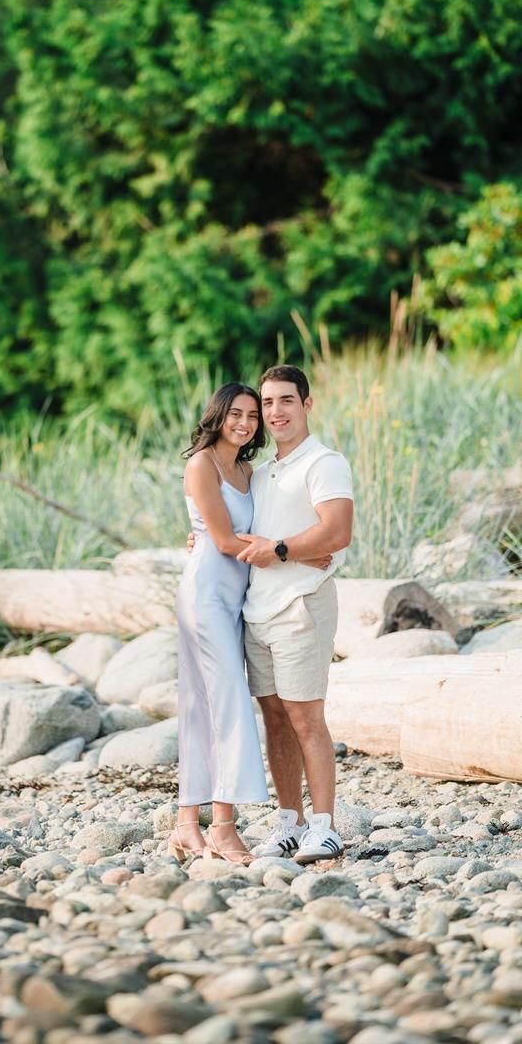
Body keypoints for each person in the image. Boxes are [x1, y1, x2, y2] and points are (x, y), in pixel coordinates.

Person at [173, 382, 332, 866]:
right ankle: (222, 826)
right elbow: (222, 540)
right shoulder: (201, 464)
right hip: (205, 597)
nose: (245, 423)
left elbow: (233, 529)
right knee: (230, 707)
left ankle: (185, 825)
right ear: (217, 415)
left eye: (251, 415)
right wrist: (298, 553)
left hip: (237, 599)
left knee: (205, 707)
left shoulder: (248, 470)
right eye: (236, 414)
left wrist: (295, 550)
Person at [236, 364, 353, 864]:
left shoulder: (324, 463)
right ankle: (290, 823)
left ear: (306, 405)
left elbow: (337, 532)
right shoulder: (261, 474)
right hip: (258, 611)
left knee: (307, 719)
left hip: (302, 606)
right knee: (276, 720)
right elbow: (244, 536)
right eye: (268, 403)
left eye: (286, 400)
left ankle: (324, 827)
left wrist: (284, 550)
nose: (275, 411)